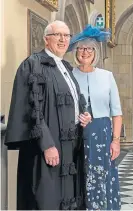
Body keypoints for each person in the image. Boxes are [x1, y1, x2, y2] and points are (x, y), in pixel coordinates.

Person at [5, 20, 91, 210]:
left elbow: (75, 100)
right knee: (45, 199)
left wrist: (84, 115)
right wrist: (47, 145)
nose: (63, 39)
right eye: (57, 35)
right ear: (46, 39)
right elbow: (30, 108)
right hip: (48, 146)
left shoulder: (66, 67)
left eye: (67, 35)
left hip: (69, 146)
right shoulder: (33, 65)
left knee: (67, 197)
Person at [68, 25, 122, 210]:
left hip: (102, 132)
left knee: (102, 174)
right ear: (76, 51)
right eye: (81, 48)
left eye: (89, 48)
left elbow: (117, 112)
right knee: (79, 173)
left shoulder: (107, 76)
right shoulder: (69, 75)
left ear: (95, 52)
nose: (85, 52)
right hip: (75, 133)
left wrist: (116, 141)